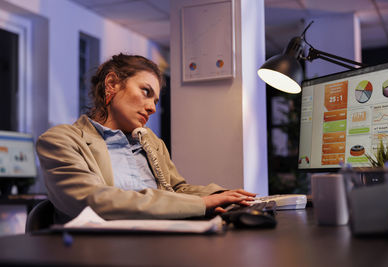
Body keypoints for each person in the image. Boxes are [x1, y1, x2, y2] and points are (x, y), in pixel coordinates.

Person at [36, 53, 255, 223]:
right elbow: (94, 200)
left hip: (160, 242)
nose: (152, 108)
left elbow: (177, 189)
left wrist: (225, 195)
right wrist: (202, 203)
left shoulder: (150, 141)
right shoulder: (60, 140)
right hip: (99, 252)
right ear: (112, 83)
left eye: (156, 101)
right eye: (146, 92)